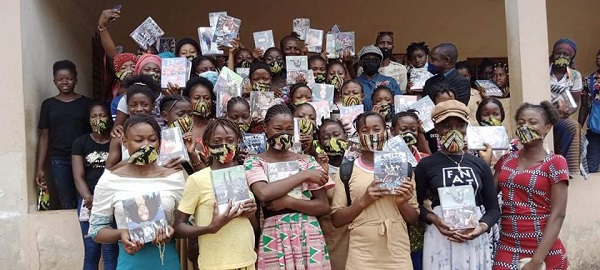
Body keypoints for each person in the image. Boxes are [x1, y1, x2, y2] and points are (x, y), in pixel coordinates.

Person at [89, 114, 185, 270]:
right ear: (125, 142)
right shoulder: (109, 180)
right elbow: (96, 231)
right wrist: (121, 234)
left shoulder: (174, 178)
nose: (146, 145)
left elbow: (187, 222)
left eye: (152, 140)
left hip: (166, 261)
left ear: (159, 143)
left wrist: (171, 229)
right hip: (130, 262)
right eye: (138, 140)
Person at [244, 104, 333, 269]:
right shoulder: (254, 161)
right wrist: (304, 175)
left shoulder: (307, 160)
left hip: (309, 233)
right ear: (265, 128)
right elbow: (263, 193)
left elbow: (323, 206)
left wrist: (288, 202)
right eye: (277, 128)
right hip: (274, 234)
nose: (284, 134)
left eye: (290, 129)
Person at [415, 100, 500, 270]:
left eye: (460, 126)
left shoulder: (479, 164)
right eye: (446, 126)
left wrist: (481, 227)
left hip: (474, 238)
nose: (454, 131)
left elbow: (493, 209)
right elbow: (415, 206)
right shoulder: (426, 165)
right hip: (440, 236)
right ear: (436, 128)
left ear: (466, 127)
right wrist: (435, 220)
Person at [330, 111, 418, 269]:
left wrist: (402, 203)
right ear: (357, 136)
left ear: (387, 132)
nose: (371, 135)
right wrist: (364, 201)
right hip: (362, 255)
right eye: (365, 131)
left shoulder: (404, 169)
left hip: (398, 253)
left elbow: (414, 219)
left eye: (377, 129)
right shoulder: (346, 171)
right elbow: (336, 220)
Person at [493, 101, 569, 270]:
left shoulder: (555, 162)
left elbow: (558, 214)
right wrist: (483, 164)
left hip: (544, 250)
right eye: (521, 123)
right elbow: (489, 198)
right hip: (507, 245)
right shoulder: (505, 160)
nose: (525, 127)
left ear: (547, 128)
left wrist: (536, 261)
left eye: (532, 122)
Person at [174, 118, 258, 270]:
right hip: (214, 264)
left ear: (238, 142)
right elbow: (178, 227)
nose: (224, 145)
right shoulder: (197, 180)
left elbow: (254, 227)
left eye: (230, 140)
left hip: (247, 261)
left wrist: (251, 214)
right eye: (217, 141)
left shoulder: (245, 174)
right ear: (206, 145)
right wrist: (210, 228)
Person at [35, 60, 93, 209]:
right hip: (59, 159)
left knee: (85, 200)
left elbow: (94, 132)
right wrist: (40, 167)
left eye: (69, 78)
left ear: (76, 80)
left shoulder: (87, 104)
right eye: (60, 79)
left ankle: (86, 232)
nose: (65, 82)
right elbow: (44, 135)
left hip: (84, 159)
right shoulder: (48, 105)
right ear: (54, 81)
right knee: (66, 201)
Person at [72, 102, 119, 269]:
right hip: (88, 200)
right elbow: (78, 176)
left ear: (110, 117)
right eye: (94, 116)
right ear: (88, 119)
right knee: (91, 250)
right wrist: (88, 198)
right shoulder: (80, 142)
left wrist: (103, 199)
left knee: (111, 250)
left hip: (111, 200)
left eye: (102, 115)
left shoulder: (116, 142)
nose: (98, 119)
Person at [549, 38, 586, 176]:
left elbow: (574, 104)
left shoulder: (575, 76)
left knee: (573, 127)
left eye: (566, 55)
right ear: (553, 54)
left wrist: (565, 111)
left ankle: (563, 167)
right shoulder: (542, 71)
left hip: (560, 117)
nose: (562, 57)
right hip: (542, 114)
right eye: (559, 53)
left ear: (571, 58)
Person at [106, 75, 159, 169]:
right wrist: (134, 159)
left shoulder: (160, 133)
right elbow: (109, 169)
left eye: (144, 104)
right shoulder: (120, 135)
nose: (139, 109)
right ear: (127, 106)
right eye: (133, 105)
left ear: (153, 105)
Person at [356, 45, 402, 111]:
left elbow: (399, 106)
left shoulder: (390, 82)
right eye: (367, 59)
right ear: (361, 62)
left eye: (375, 59)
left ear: (380, 63)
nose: (371, 62)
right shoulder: (355, 84)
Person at [182, 76, 215, 155]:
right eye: (196, 98)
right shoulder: (183, 126)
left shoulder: (216, 125)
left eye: (206, 98)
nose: (202, 102)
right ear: (188, 100)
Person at [580, 49, 600, 173]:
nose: (598, 57)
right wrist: (578, 127)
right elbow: (584, 106)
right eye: (598, 55)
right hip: (594, 131)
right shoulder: (589, 79)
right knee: (590, 168)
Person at [455, 61, 484, 126]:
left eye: (465, 76)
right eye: (459, 76)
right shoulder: (451, 94)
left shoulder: (477, 94)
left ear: (470, 76)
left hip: (475, 130)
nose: (462, 79)